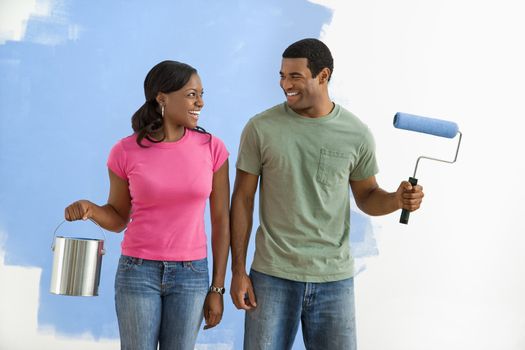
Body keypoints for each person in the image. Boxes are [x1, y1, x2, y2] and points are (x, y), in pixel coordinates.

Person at [229, 38, 424, 349]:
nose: (284, 84)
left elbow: (367, 195)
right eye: (282, 75)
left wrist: (396, 200)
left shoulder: (355, 133)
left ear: (323, 76)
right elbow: (242, 200)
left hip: (334, 279)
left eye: (295, 76)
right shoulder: (260, 128)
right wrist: (237, 271)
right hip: (272, 275)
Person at [64, 60, 230, 350]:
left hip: (191, 275)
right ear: (162, 98)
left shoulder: (212, 148)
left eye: (202, 94)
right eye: (192, 94)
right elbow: (117, 219)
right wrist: (90, 209)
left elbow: (221, 222)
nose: (200, 102)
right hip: (137, 271)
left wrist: (217, 287)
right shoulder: (125, 151)